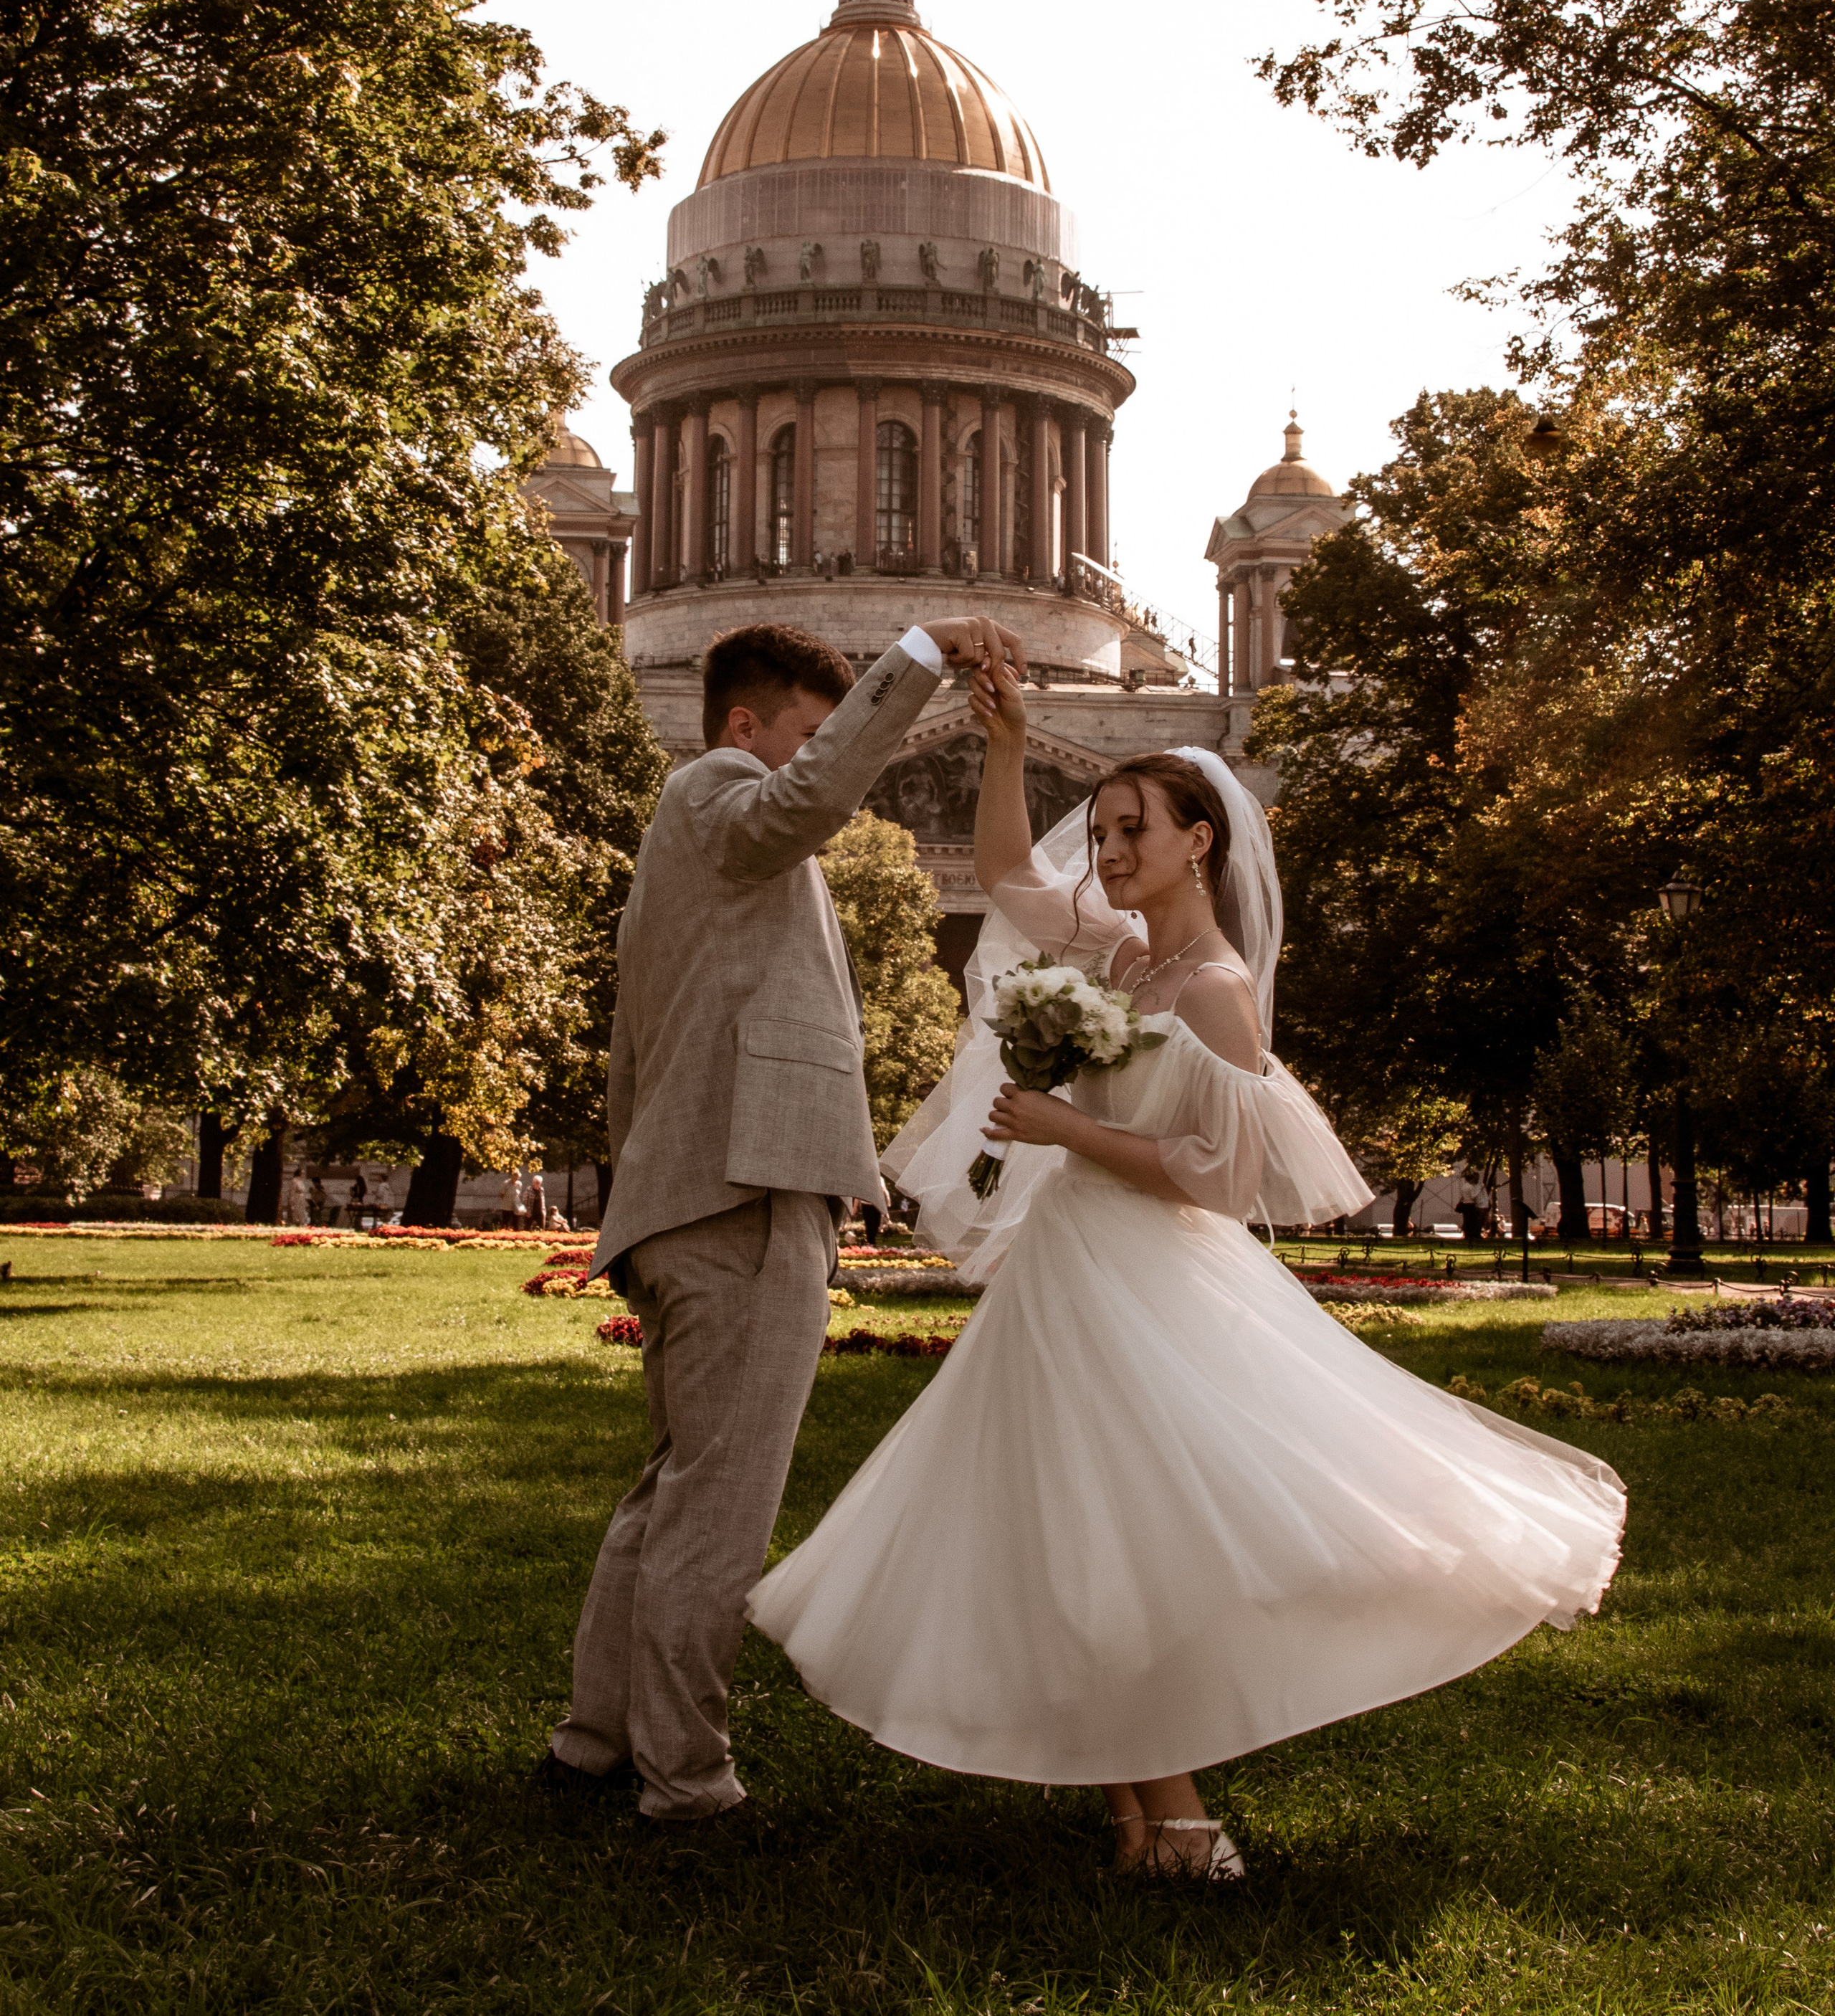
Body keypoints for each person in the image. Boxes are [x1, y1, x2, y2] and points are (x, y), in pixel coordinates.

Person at [749, 662, 1626, 1883]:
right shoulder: (1120, 961)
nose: (1106, 854)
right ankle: (1139, 1823)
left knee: (1132, 1535)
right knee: (1068, 1529)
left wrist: (1067, 1129)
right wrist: (1006, 743)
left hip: (1148, 1279)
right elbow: (1005, 873)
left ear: (1198, 841)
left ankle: (1185, 1821)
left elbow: (1221, 1177)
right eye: (1101, 831)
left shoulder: (1213, 993)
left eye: (1131, 832)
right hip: (1073, 1268)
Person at [543, 612, 1024, 1825]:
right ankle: (688, 1779)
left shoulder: (709, 849)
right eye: (811, 736)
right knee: (718, 1507)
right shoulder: (714, 790)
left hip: (697, 1189)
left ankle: (596, 1743)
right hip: (744, 1191)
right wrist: (918, 657)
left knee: (672, 1488)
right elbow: (802, 802)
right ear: (746, 727)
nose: (826, 763)